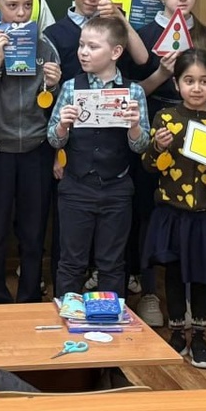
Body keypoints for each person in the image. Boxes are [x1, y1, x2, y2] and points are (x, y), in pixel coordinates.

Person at [130, 0, 206, 327]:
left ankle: (191, 301)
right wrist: (163, 73)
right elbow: (135, 91)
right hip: (158, 120)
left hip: (198, 129)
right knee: (151, 210)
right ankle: (150, 291)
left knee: (194, 210)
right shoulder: (145, 34)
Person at [143, 48, 206, 369]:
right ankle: (176, 333)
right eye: (189, 81)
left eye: (204, 81)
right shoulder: (165, 119)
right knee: (174, 273)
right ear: (176, 84)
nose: (196, 88)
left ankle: (199, 336)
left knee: (202, 276)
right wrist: (158, 146)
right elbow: (149, 165)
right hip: (173, 212)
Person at [0, 0, 62, 303]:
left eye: (27, 6)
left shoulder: (45, 47)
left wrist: (53, 85)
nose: (21, 14)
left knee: (33, 232)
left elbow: (52, 107)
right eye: (12, 6)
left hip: (35, 149)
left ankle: (29, 297)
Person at [47, 16, 150, 297]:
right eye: (82, 45)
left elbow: (141, 146)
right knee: (71, 262)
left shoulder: (133, 91)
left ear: (116, 52)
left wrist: (134, 125)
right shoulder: (71, 87)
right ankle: (66, 316)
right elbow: (53, 139)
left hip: (116, 188)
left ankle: (109, 318)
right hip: (76, 186)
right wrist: (62, 125)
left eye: (92, 47)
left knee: (112, 264)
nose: (83, 52)